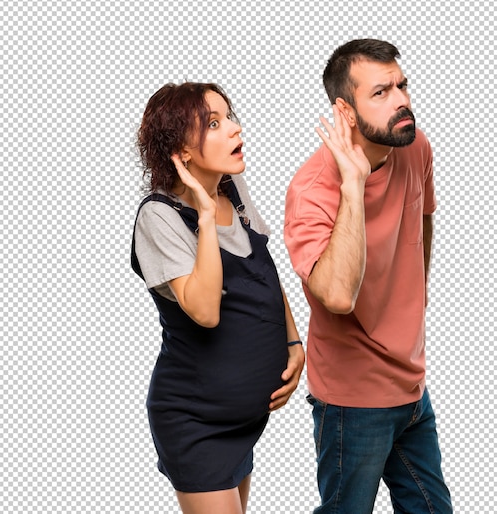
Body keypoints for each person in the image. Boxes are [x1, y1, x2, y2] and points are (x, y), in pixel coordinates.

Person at [284, 39, 453, 513]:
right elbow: (337, 296)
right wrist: (353, 184)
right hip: (352, 402)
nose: (401, 99)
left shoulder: (415, 145)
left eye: (402, 85)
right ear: (346, 111)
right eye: (381, 92)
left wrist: (414, 297)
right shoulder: (312, 191)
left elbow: (423, 218)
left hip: (412, 385)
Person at [131, 81, 305, 514]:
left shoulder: (233, 190)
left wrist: (293, 341)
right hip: (196, 422)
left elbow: (264, 272)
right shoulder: (159, 216)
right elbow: (205, 311)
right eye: (214, 123)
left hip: (242, 422)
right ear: (181, 150)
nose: (235, 129)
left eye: (230, 116)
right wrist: (205, 215)